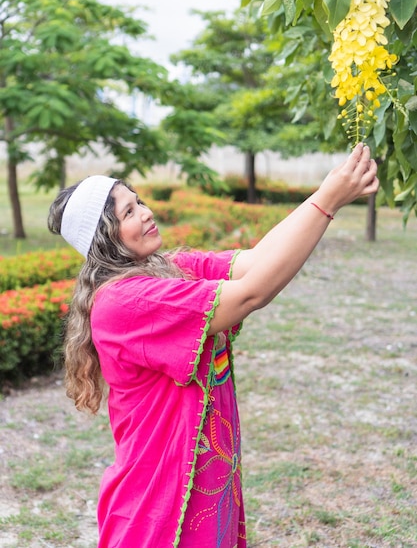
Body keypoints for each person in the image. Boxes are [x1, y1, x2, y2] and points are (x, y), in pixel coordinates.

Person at [47, 143, 378, 548]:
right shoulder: (125, 303)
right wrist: (328, 200)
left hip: (201, 485)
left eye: (139, 202)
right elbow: (250, 295)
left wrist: (327, 196)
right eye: (128, 212)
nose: (146, 212)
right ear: (105, 239)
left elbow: (256, 261)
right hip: (159, 503)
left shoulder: (169, 271)